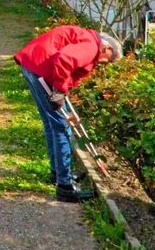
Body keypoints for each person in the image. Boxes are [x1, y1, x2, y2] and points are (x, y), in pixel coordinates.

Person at [14, 25, 122, 203]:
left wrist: (65, 97)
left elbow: (71, 72)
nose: (103, 64)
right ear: (107, 48)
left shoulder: (87, 39)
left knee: (52, 124)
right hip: (41, 71)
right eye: (107, 60)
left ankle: (58, 173)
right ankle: (65, 187)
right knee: (62, 128)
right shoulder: (92, 46)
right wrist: (59, 91)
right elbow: (64, 60)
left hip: (34, 66)